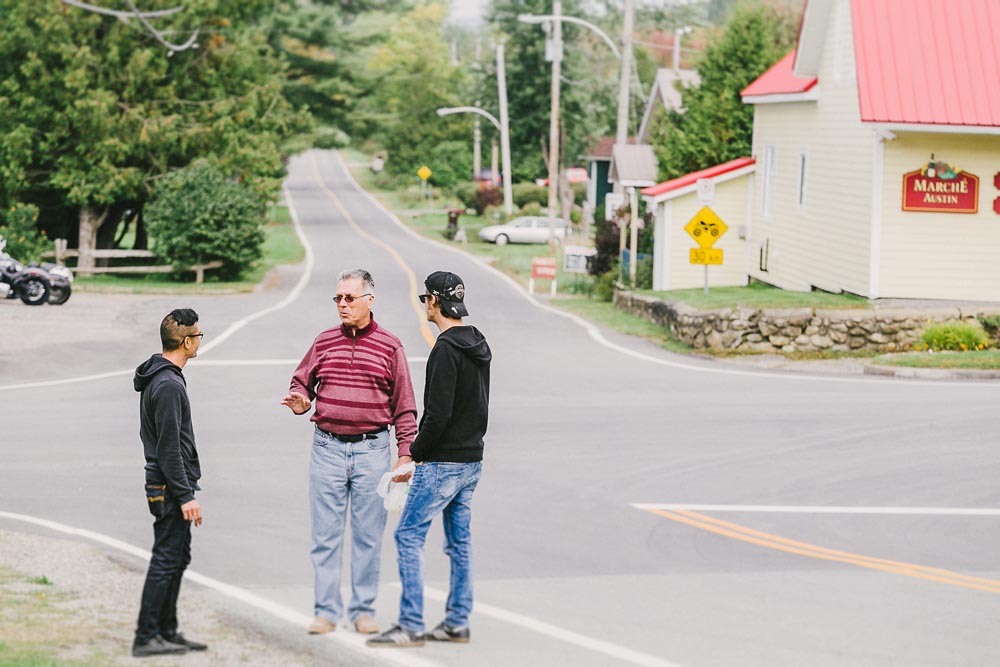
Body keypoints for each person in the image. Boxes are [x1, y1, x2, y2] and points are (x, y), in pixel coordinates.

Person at [282, 269, 417, 636]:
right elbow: (301, 381)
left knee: (368, 536)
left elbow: (404, 405)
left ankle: (362, 610)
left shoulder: (391, 346)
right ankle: (326, 611)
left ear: (369, 301)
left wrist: (405, 453)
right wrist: (301, 401)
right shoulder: (324, 341)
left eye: (349, 298)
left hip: (372, 451)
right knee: (325, 536)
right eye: (338, 298)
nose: (342, 304)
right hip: (326, 447)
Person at [368, 271, 491, 648]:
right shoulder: (478, 342)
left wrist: (413, 456)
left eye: (425, 299)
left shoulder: (445, 349)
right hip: (472, 460)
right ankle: (457, 621)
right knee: (459, 541)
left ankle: (410, 624)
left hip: (442, 462)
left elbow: (437, 415)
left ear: (434, 301)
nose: (424, 305)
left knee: (408, 535)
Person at [132, 308, 208, 657]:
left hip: (170, 484)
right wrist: (185, 495)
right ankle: (147, 636)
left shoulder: (165, 377)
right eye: (198, 336)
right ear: (186, 341)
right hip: (167, 487)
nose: (199, 341)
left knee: (177, 556)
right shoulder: (167, 385)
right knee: (166, 558)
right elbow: (168, 448)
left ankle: (167, 630)